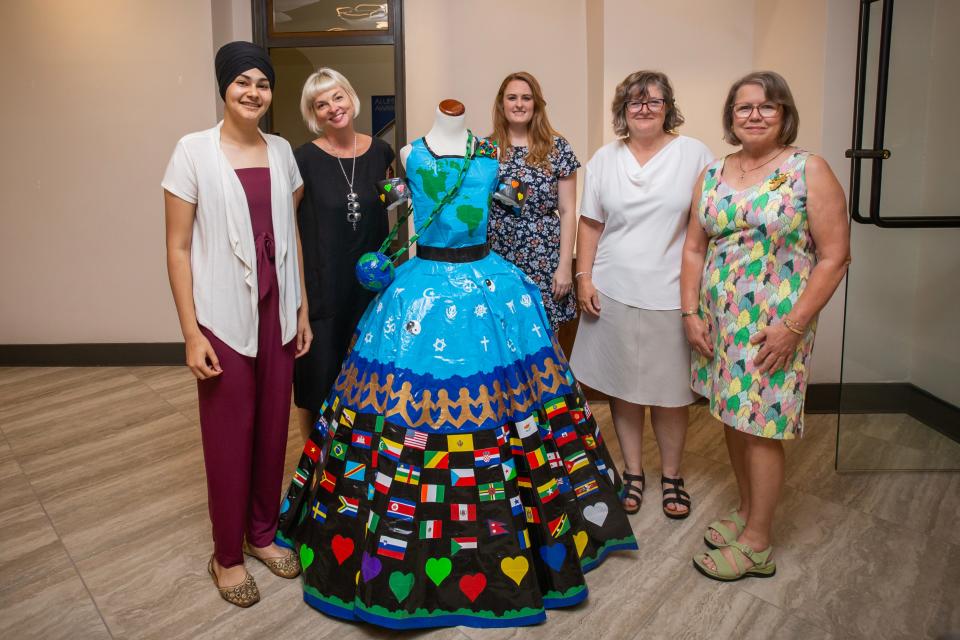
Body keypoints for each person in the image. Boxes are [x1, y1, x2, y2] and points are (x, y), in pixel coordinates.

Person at [274, 101, 636, 629]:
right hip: (419, 284)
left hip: (487, 283)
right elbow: (394, 212)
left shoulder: (489, 154)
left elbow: (519, 209)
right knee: (400, 398)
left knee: (505, 400)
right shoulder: (406, 153)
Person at [681, 71, 849, 581]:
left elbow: (836, 256)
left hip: (774, 330)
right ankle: (749, 510)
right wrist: (691, 312)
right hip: (719, 323)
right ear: (731, 117)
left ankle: (757, 543)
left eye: (766, 106)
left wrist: (792, 327)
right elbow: (693, 247)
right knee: (733, 418)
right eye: (744, 107)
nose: (754, 115)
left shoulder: (807, 170)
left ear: (784, 114)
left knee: (760, 429)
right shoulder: (713, 173)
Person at [162, 41, 311, 607]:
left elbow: (289, 236)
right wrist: (191, 332)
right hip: (222, 315)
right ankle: (226, 555)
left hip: (276, 310)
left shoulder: (280, 151)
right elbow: (177, 250)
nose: (253, 92)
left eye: (263, 83)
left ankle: (262, 534)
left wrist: (299, 306)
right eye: (242, 81)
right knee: (229, 437)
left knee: (273, 430)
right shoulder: (192, 151)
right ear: (224, 88)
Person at [570, 71, 713, 519]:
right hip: (612, 290)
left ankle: (672, 476)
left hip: (672, 293)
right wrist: (584, 277)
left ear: (668, 106)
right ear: (622, 111)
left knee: (671, 394)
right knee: (623, 390)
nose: (645, 108)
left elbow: (705, 226)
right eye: (635, 101)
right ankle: (633, 472)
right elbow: (590, 223)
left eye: (654, 100)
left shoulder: (694, 155)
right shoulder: (604, 159)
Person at [293, 68, 395, 442]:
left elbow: (395, 210)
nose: (332, 108)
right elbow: (290, 229)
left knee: (369, 383)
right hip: (322, 292)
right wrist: (300, 301)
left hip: (370, 293)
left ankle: (361, 462)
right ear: (313, 114)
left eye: (337, 97)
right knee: (317, 384)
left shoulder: (381, 152)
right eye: (321, 104)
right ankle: (314, 465)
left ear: (351, 98)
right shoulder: (302, 159)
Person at [488, 71, 579, 331]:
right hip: (498, 256)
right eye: (512, 97)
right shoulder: (485, 150)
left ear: (536, 103)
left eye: (526, 98)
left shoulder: (558, 148)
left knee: (544, 338)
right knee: (502, 337)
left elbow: (568, 210)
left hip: (543, 257)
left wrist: (564, 267)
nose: (519, 104)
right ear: (501, 103)